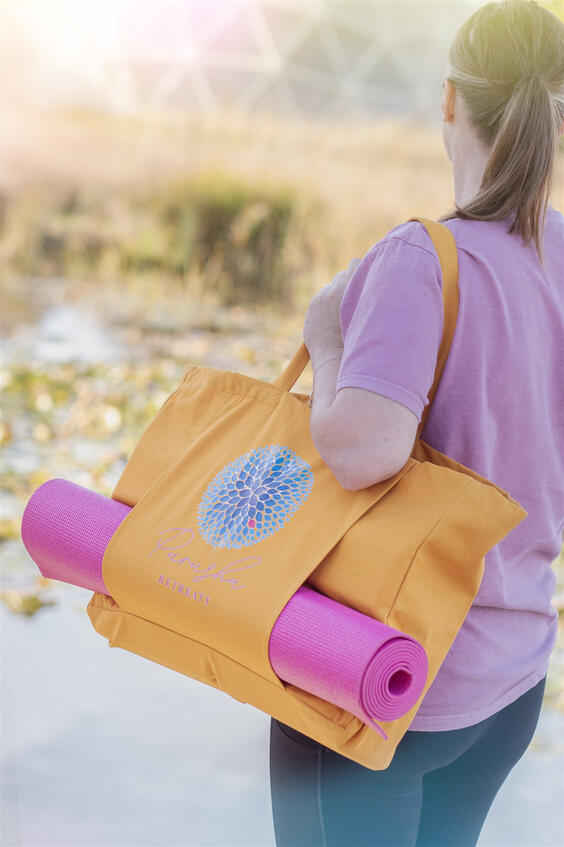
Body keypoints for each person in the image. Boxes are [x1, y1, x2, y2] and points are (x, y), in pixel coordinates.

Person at [269, 1, 564, 845]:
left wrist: (327, 340)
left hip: (381, 681)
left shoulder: (420, 258)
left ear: (448, 101)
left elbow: (363, 451)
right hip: (510, 684)